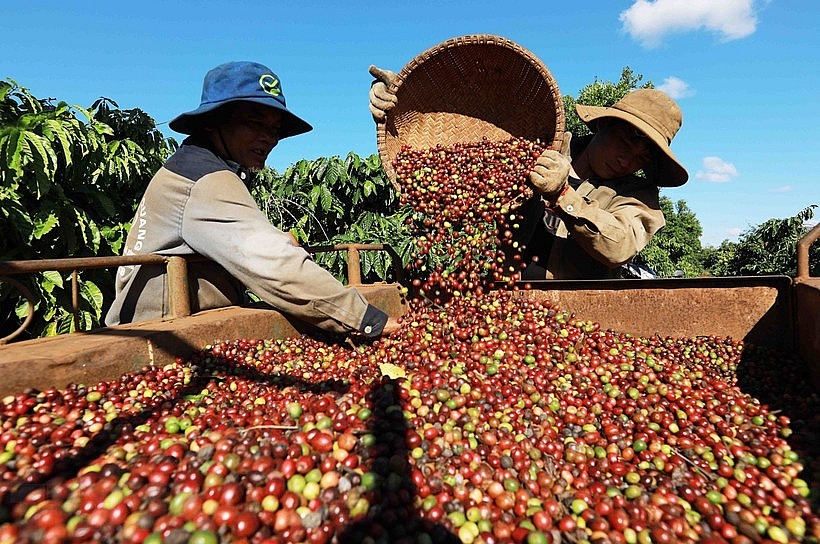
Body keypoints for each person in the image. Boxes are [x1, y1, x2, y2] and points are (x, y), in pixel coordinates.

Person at [106, 61, 398, 337]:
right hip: (163, 337)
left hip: (175, 326)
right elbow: (274, 265)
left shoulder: (197, 167)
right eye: (254, 123)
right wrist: (366, 319)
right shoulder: (203, 179)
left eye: (274, 129)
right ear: (212, 123)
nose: (268, 138)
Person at [368, 65, 689, 279]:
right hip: (501, 294)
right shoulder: (542, 144)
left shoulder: (639, 198)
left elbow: (618, 247)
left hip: (580, 316)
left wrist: (563, 193)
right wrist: (404, 104)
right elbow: (467, 148)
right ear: (604, 124)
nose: (627, 159)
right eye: (625, 141)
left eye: (641, 157)